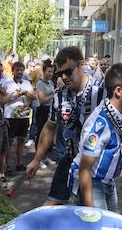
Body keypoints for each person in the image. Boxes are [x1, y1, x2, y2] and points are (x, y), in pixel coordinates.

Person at [26, 46, 104, 205]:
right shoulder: (60, 95)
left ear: (82, 65)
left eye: (68, 72)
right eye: (59, 73)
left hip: (96, 163)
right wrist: (36, 159)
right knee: (50, 205)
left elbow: (119, 126)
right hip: (71, 158)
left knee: (94, 214)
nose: (64, 77)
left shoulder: (101, 92)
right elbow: (49, 128)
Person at [68, 63, 122, 211]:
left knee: (110, 225)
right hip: (91, 181)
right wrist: (90, 210)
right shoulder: (100, 124)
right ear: (118, 91)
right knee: (98, 228)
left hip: (106, 181)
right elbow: (84, 169)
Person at [3, 61, 34, 173]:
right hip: (10, 116)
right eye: (17, 70)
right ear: (13, 71)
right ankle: (7, 165)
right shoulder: (7, 83)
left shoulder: (27, 83)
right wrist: (14, 96)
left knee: (21, 140)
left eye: (21, 70)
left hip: (24, 116)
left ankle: (20, 163)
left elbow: (33, 96)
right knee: (10, 142)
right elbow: (3, 99)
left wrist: (25, 93)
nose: (20, 72)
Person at [34, 61, 55, 152]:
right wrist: (54, 94)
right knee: (41, 133)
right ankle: (38, 155)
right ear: (44, 71)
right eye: (48, 71)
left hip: (50, 109)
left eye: (52, 71)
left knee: (49, 133)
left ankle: (45, 155)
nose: (50, 74)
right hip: (42, 109)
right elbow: (42, 99)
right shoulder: (40, 84)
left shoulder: (51, 83)